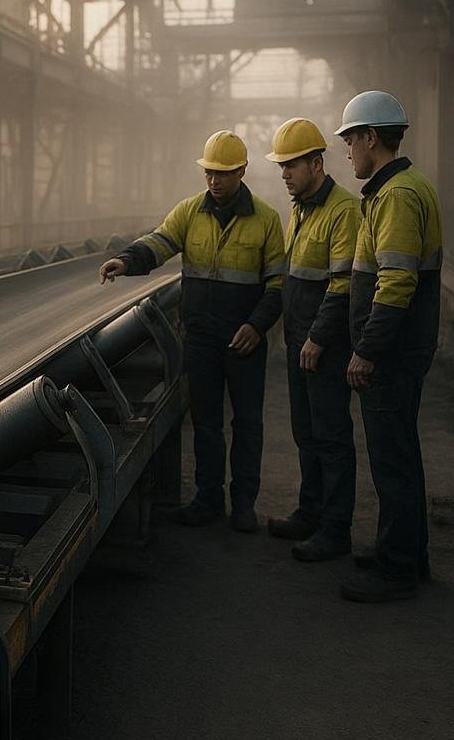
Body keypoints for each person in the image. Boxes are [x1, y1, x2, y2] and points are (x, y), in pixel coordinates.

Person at [101, 130, 286, 533]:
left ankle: (243, 505)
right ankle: (207, 500)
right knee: (205, 421)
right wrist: (125, 260)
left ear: (241, 171)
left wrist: (257, 327)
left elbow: (277, 286)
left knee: (247, 423)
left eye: (222, 173)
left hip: (245, 341)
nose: (214, 181)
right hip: (201, 339)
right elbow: (159, 243)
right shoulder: (189, 212)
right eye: (209, 173)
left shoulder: (267, 222)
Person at [334, 91, 444, 603]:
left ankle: (397, 569)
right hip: (401, 350)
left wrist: (367, 351)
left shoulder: (397, 196)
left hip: (393, 355)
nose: (347, 152)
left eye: (350, 140)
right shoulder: (394, 190)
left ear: (370, 138)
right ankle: (405, 553)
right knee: (399, 455)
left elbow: (396, 283)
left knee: (392, 461)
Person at [261, 118, 361, 562]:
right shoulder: (300, 208)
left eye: (291, 166)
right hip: (300, 341)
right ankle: (310, 513)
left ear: (317, 164)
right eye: (282, 166)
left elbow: (342, 285)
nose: (283, 173)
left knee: (332, 437)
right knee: (306, 433)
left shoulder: (343, 211)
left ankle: (335, 531)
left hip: (325, 344)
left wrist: (318, 338)